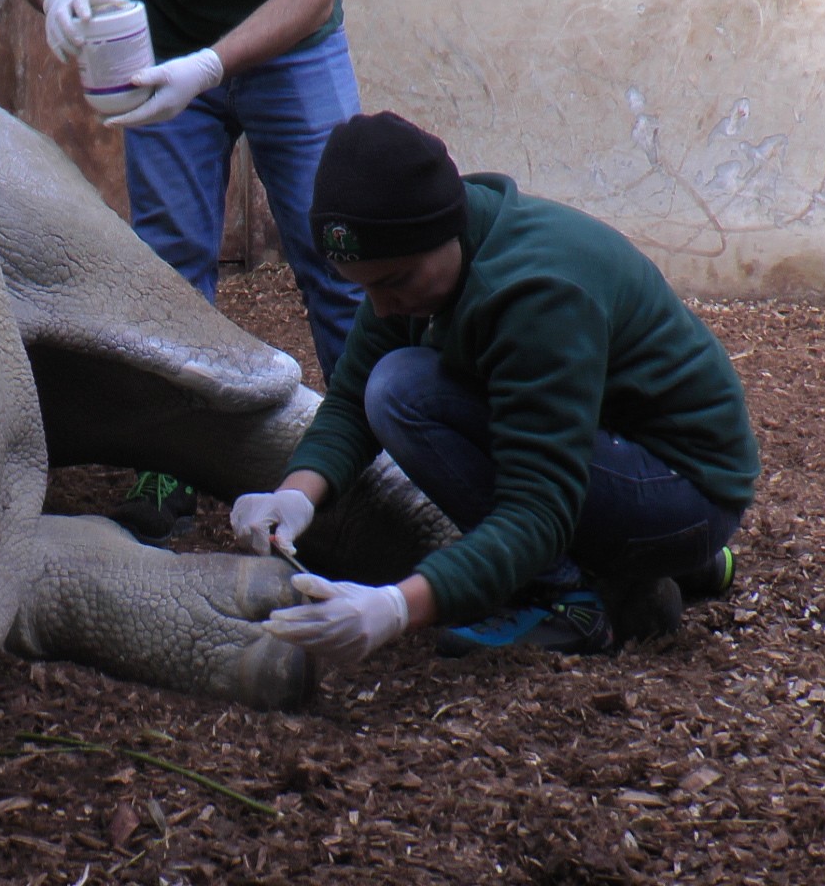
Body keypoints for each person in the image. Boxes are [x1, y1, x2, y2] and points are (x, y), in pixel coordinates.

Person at [5, 0, 364, 545]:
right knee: (169, 266)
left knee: (343, 253)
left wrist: (213, 65)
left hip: (289, 50)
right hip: (158, 47)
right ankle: (167, 469)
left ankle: (373, 464)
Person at [230, 112, 758, 661]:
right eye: (364, 288)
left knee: (403, 393)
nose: (383, 308)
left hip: (689, 491)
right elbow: (348, 399)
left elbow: (538, 508)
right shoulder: (439, 244)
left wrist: (395, 607)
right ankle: (653, 565)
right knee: (385, 385)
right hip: (633, 458)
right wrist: (294, 496)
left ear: (443, 232)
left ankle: (571, 599)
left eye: (395, 283)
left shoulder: (538, 296)